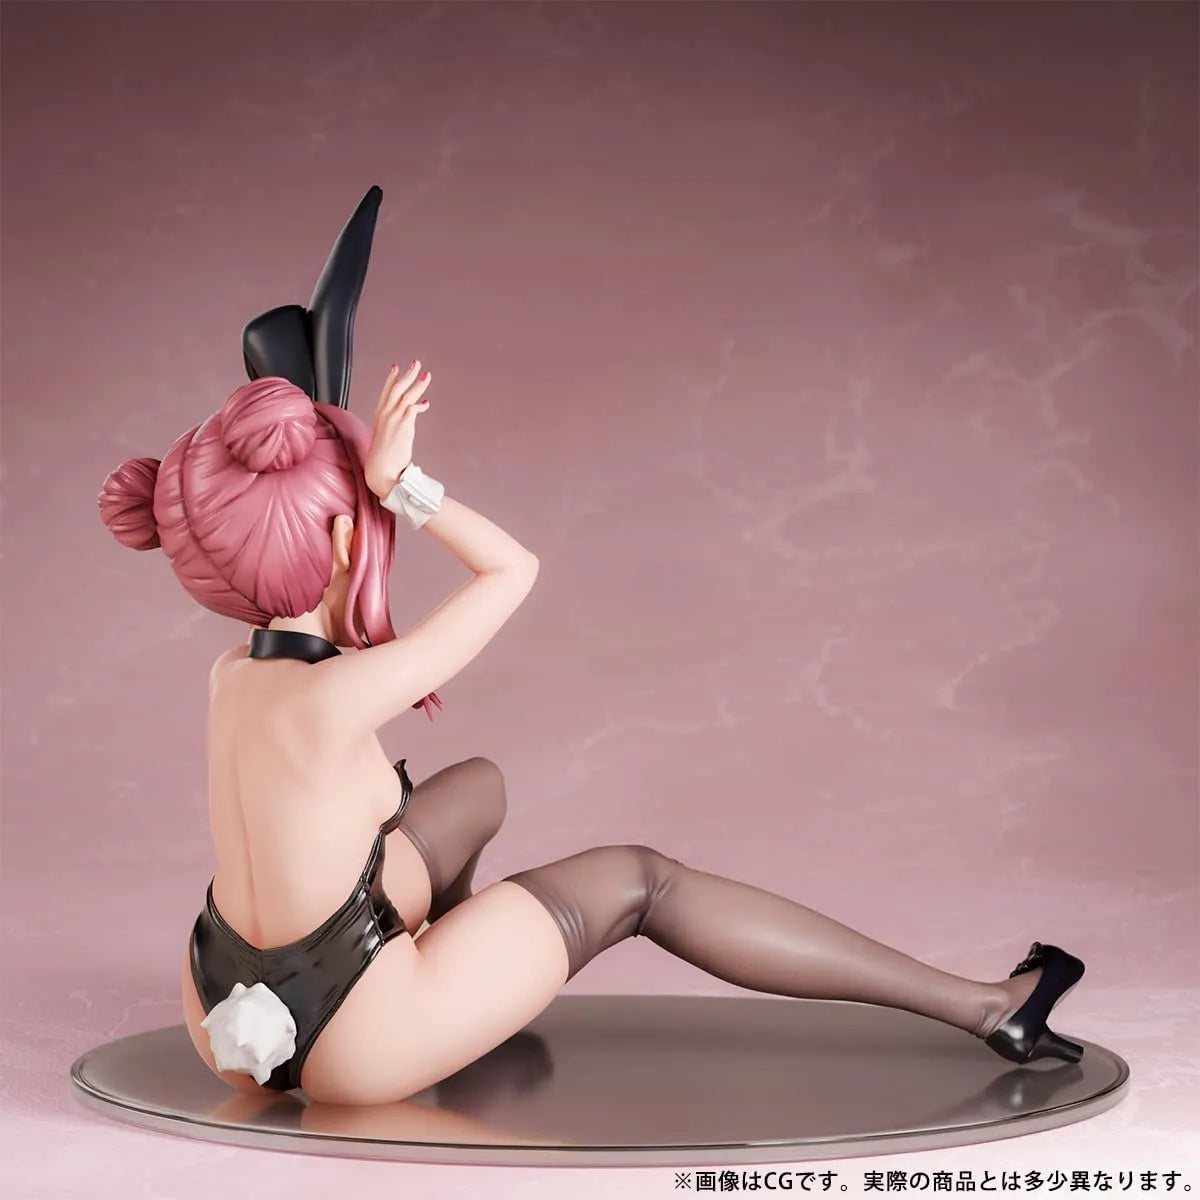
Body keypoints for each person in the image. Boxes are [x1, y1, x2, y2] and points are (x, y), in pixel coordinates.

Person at [97, 359, 1087, 1106]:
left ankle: (466, 986)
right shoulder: (341, 693)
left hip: (218, 997)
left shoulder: (233, 679)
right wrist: (401, 480)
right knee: (639, 881)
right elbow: (513, 571)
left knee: (475, 786)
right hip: (354, 1038)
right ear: (348, 536)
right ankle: (988, 1007)